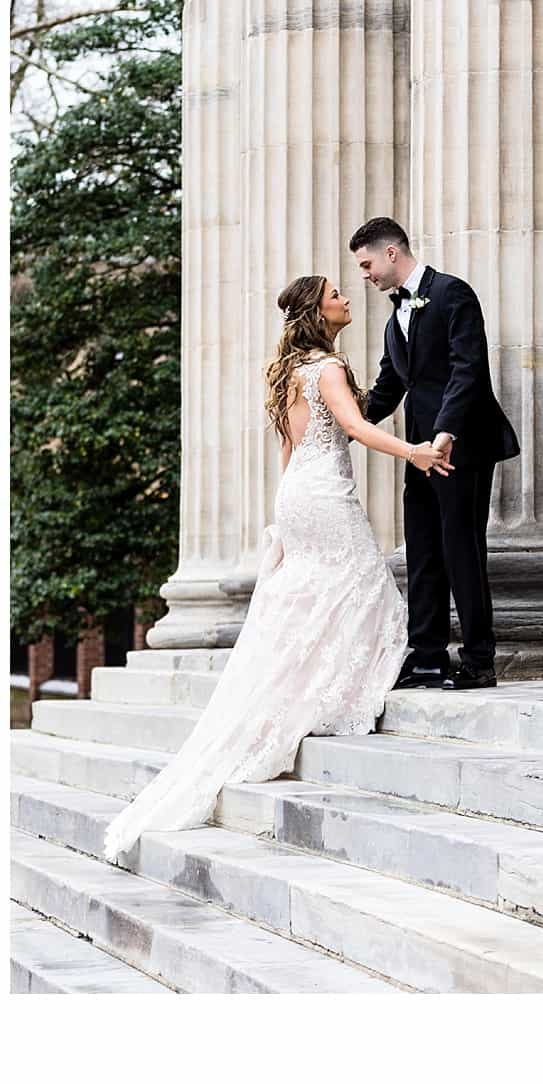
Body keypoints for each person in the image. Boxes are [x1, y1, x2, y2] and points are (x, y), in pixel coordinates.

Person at [101, 274, 441, 863]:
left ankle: (295, 687)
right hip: (325, 494)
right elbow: (356, 429)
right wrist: (415, 451)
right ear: (318, 309)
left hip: (297, 493)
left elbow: (288, 447)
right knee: (362, 584)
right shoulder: (327, 369)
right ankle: (325, 694)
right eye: (336, 293)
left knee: (318, 591)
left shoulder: (288, 370)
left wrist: (283, 515)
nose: (345, 298)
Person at [350, 216, 519, 690]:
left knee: (461, 548)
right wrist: (342, 426)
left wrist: (446, 432)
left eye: (366, 264)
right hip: (419, 451)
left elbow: (469, 369)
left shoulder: (452, 294)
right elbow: (387, 388)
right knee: (423, 550)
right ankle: (426, 656)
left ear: (390, 253)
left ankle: (479, 660)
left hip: (461, 446)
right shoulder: (394, 320)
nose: (365, 275)